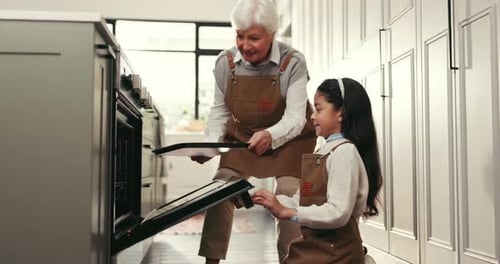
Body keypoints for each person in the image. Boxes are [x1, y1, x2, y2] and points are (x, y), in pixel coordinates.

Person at [191, 0, 317, 263]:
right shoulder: (225, 63)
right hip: (242, 141)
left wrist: (271, 135)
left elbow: (295, 117)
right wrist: (211, 144)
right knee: (219, 191)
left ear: (272, 35)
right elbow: (220, 112)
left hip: (290, 143)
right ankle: (211, 261)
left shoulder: (293, 62)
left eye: (254, 38)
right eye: (239, 36)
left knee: (288, 197)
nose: (245, 45)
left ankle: (293, 261)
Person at [252, 78, 383, 263]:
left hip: (337, 252)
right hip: (320, 247)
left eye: (319, 109)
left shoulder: (344, 153)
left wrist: (289, 212)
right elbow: (300, 200)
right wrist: (270, 201)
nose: (312, 116)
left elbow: (338, 212)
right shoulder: (324, 152)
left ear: (341, 113)